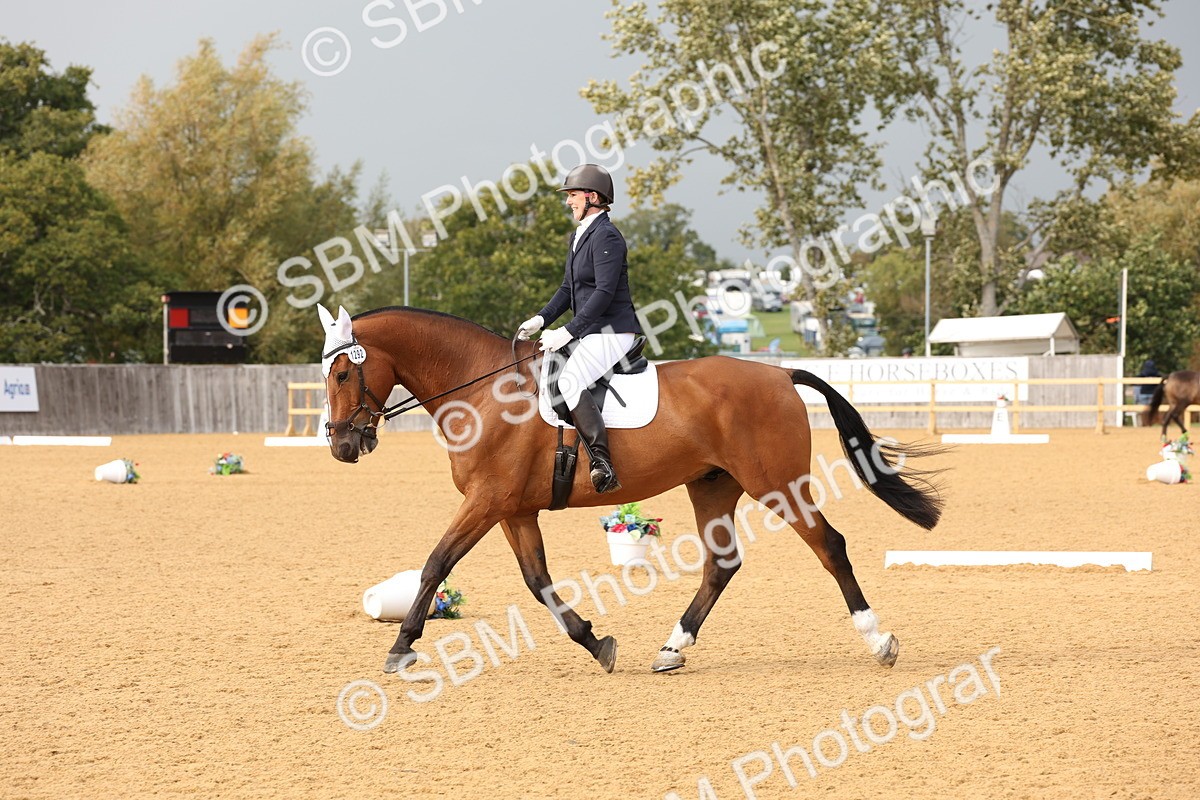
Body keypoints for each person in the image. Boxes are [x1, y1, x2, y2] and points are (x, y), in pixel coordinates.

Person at [516, 164, 643, 494]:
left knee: (570, 381)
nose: (569, 201)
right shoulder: (579, 236)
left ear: (593, 197)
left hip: (612, 331)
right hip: (590, 330)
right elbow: (567, 290)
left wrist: (568, 331)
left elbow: (603, 293)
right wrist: (542, 319)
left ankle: (602, 463)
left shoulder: (607, 237)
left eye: (573, 195)